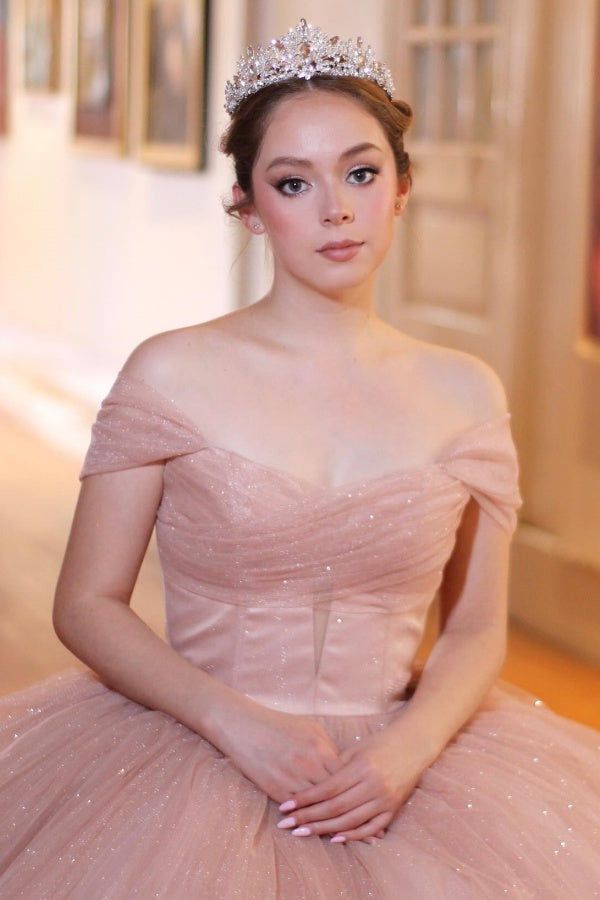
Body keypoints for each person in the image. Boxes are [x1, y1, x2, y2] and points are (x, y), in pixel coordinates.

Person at [1, 20, 599, 899]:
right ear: (248, 205)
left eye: (361, 173)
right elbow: (86, 604)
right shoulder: (169, 372)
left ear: (402, 188)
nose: (336, 209)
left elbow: (475, 628)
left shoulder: (467, 394)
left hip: (401, 767)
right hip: (198, 750)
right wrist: (233, 723)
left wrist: (407, 750)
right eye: (293, 182)